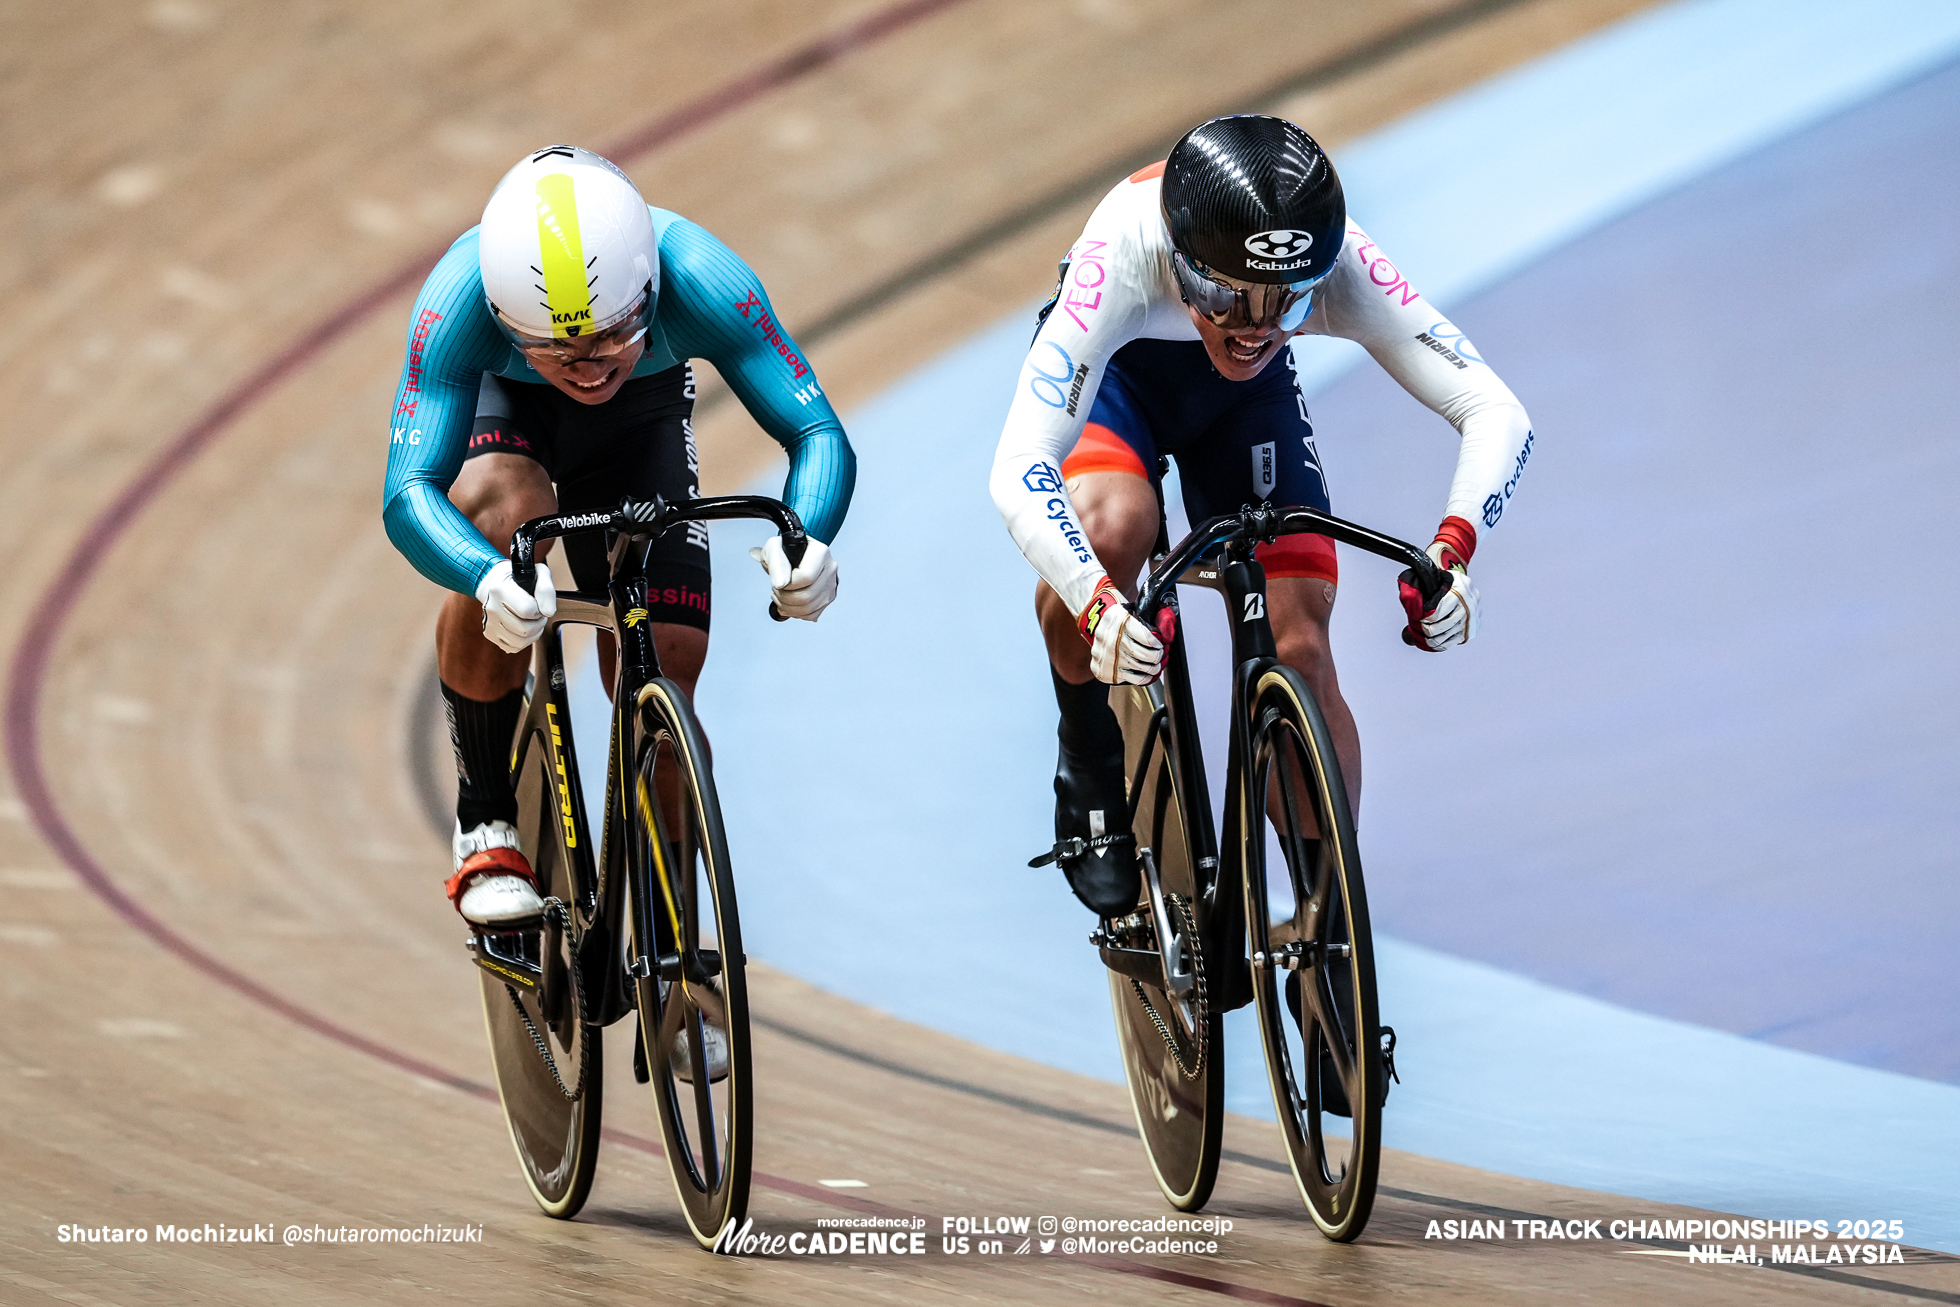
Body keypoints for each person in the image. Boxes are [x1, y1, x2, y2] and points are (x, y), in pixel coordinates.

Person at [990, 114, 1532, 917]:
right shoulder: (1122, 250)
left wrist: (1452, 548)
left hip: (1243, 408)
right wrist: (1094, 598)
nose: (1253, 327)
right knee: (1115, 528)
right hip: (1120, 384)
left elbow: (1495, 410)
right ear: (1180, 262)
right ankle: (1087, 748)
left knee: (1301, 644)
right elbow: (1017, 464)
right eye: (1223, 299)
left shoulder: (1338, 260)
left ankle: (1328, 918)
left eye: (1290, 304)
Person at [384, 145, 854, 928]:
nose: (589, 365)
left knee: (664, 664)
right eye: (557, 347)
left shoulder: (704, 275)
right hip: (511, 413)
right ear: (502, 318)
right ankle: (486, 821)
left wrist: (809, 537)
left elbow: (815, 431)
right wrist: (484, 575)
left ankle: (682, 953)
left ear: (652, 291)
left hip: (640, 422)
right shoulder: (456, 302)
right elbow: (408, 494)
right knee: (505, 516)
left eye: (613, 334)